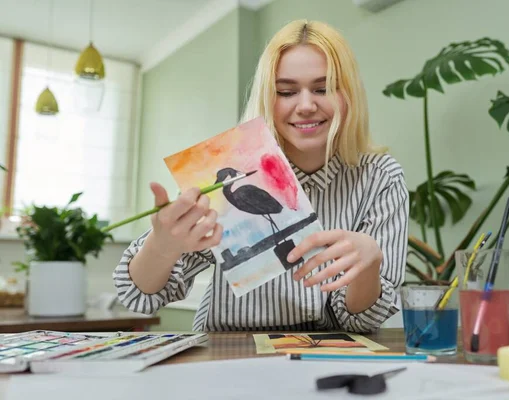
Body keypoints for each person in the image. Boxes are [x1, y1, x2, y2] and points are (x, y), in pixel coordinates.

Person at [113, 19, 409, 333]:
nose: (306, 105)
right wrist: (162, 245)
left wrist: (369, 267)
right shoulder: (225, 170)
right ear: (268, 97)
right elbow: (137, 296)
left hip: (324, 354)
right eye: (286, 91)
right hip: (226, 352)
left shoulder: (381, 177)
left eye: (323, 89)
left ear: (349, 95)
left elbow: (362, 320)